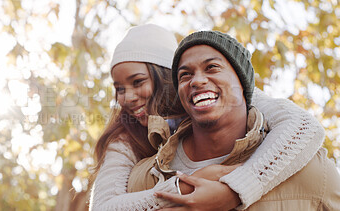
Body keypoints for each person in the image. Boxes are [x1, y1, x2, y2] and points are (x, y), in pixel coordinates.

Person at [89, 24, 325, 210]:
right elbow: (103, 206)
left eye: (138, 82)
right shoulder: (125, 137)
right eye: (119, 88)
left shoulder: (227, 92)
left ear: (166, 77)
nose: (126, 98)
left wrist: (234, 190)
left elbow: (304, 126)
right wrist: (183, 188)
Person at [146, 30, 340, 210]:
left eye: (212, 67)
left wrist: (235, 190)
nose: (196, 81)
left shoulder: (312, 173)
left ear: (242, 82)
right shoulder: (150, 175)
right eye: (185, 75)